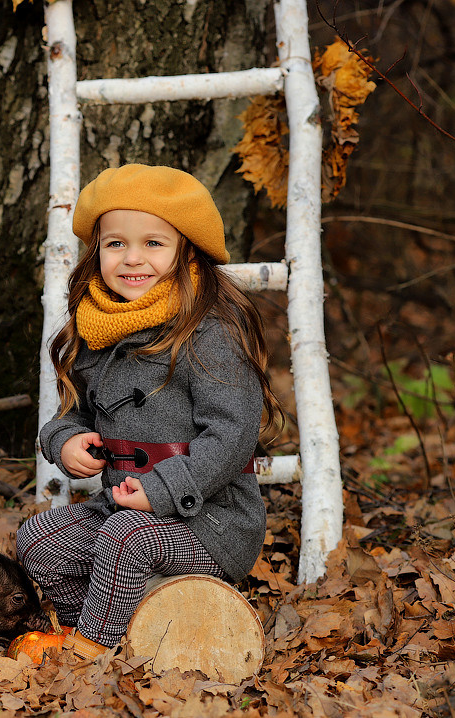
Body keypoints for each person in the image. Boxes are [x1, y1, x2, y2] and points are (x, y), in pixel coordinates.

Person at [16, 164, 283, 659]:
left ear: (188, 251)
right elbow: (75, 414)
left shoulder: (207, 334)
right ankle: (104, 628)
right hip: (123, 510)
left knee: (125, 538)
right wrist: (64, 440)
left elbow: (232, 435)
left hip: (210, 523)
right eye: (116, 243)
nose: (132, 258)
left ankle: (90, 653)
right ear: (97, 250)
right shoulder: (98, 329)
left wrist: (161, 489)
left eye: (154, 244)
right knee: (40, 538)